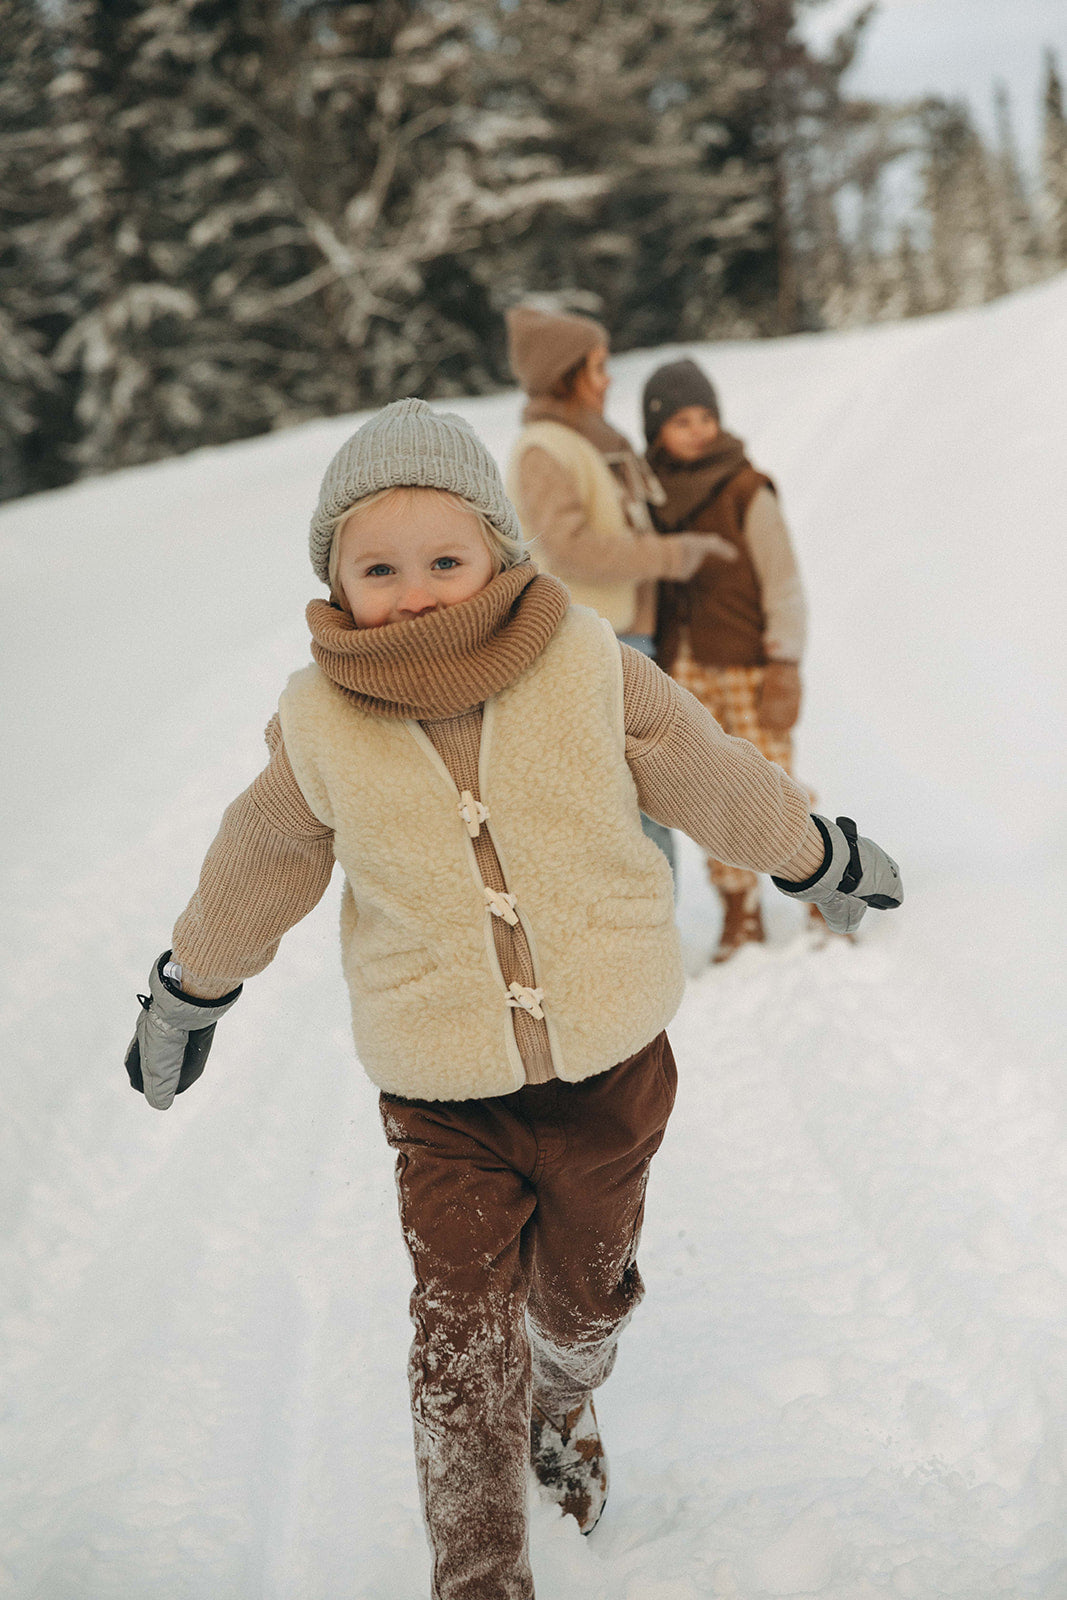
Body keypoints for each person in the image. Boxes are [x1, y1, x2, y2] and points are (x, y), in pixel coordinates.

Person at [125, 399, 902, 1600]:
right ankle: (478, 1572)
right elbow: (259, 858)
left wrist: (813, 853)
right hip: (443, 1096)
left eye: (445, 558)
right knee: (456, 1333)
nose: (418, 588)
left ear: (497, 548)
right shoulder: (321, 721)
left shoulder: (581, 658)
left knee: (585, 1293)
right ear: (333, 580)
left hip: (611, 1066)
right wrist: (189, 988)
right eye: (378, 568)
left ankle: (563, 1394)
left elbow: (699, 765)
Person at [503, 305, 734, 874]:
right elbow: (566, 546)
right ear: (566, 373)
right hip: (590, 648)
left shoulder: (591, 441)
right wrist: (672, 556)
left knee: (650, 798)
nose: (608, 380)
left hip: (628, 643)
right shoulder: (545, 449)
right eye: (598, 367)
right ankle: (643, 945)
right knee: (625, 806)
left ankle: (656, 939)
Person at [643, 356, 818, 962]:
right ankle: (739, 910)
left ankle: (824, 885)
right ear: (655, 430)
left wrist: (786, 661)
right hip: (683, 668)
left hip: (748, 661)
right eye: (681, 420)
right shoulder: (653, 496)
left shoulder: (747, 488)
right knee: (710, 790)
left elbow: (784, 581)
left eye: (706, 416)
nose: (697, 429)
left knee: (772, 781)